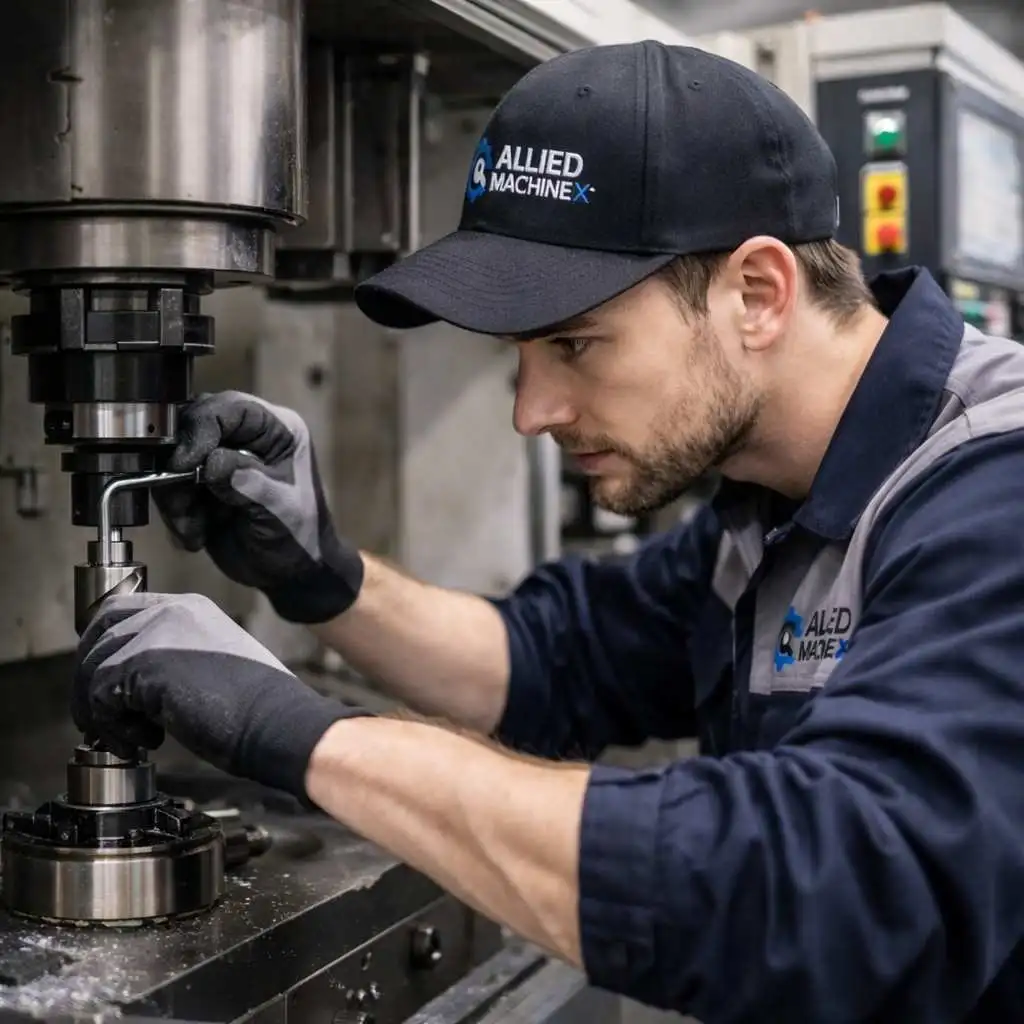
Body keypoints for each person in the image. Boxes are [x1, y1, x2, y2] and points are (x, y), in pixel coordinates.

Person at [71, 41, 1024, 1023]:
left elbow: (836, 895)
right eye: (520, 356)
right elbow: (556, 657)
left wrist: (299, 731)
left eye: (574, 343)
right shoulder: (772, 490)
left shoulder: (993, 490)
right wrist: (325, 578)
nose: (531, 410)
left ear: (758, 293)